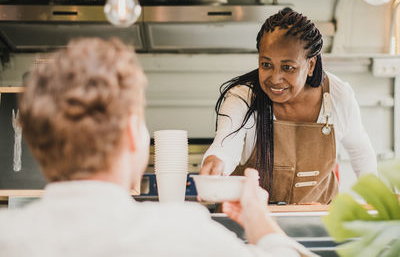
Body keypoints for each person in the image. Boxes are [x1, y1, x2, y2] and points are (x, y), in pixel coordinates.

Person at [0, 38, 314, 257]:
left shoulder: (6, 236)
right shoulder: (184, 234)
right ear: (132, 136)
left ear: (37, 145)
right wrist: (258, 216)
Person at [200, 8, 377, 205]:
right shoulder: (243, 97)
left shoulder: (338, 96)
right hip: (253, 223)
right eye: (266, 65)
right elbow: (225, 146)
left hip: (318, 224)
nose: (275, 79)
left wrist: (376, 200)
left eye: (288, 67)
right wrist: (215, 162)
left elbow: (361, 153)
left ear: (310, 65)